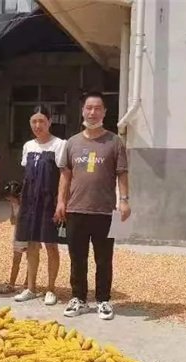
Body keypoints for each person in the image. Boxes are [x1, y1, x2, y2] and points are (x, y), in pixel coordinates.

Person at [55, 91, 131, 320]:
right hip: (76, 209)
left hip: (105, 211)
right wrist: (61, 201)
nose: (93, 112)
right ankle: (78, 298)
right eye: (89, 108)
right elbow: (65, 175)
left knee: (104, 259)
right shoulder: (72, 142)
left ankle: (103, 300)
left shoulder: (115, 142)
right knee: (77, 258)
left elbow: (122, 173)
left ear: (104, 112)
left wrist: (124, 201)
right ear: (82, 111)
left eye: (97, 108)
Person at [14, 105, 66, 306]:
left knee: (51, 245)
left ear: (49, 122)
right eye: (34, 121)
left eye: (42, 121)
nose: (38, 125)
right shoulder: (28, 146)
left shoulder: (59, 145)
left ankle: (51, 289)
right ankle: (31, 287)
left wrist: (61, 201)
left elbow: (64, 175)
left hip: (49, 202)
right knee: (31, 245)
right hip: (29, 201)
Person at [0, 180, 28, 294]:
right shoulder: (13, 204)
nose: (9, 200)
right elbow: (12, 220)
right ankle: (11, 284)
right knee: (16, 259)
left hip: (28, 233)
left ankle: (27, 284)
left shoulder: (26, 205)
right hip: (18, 232)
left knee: (30, 259)